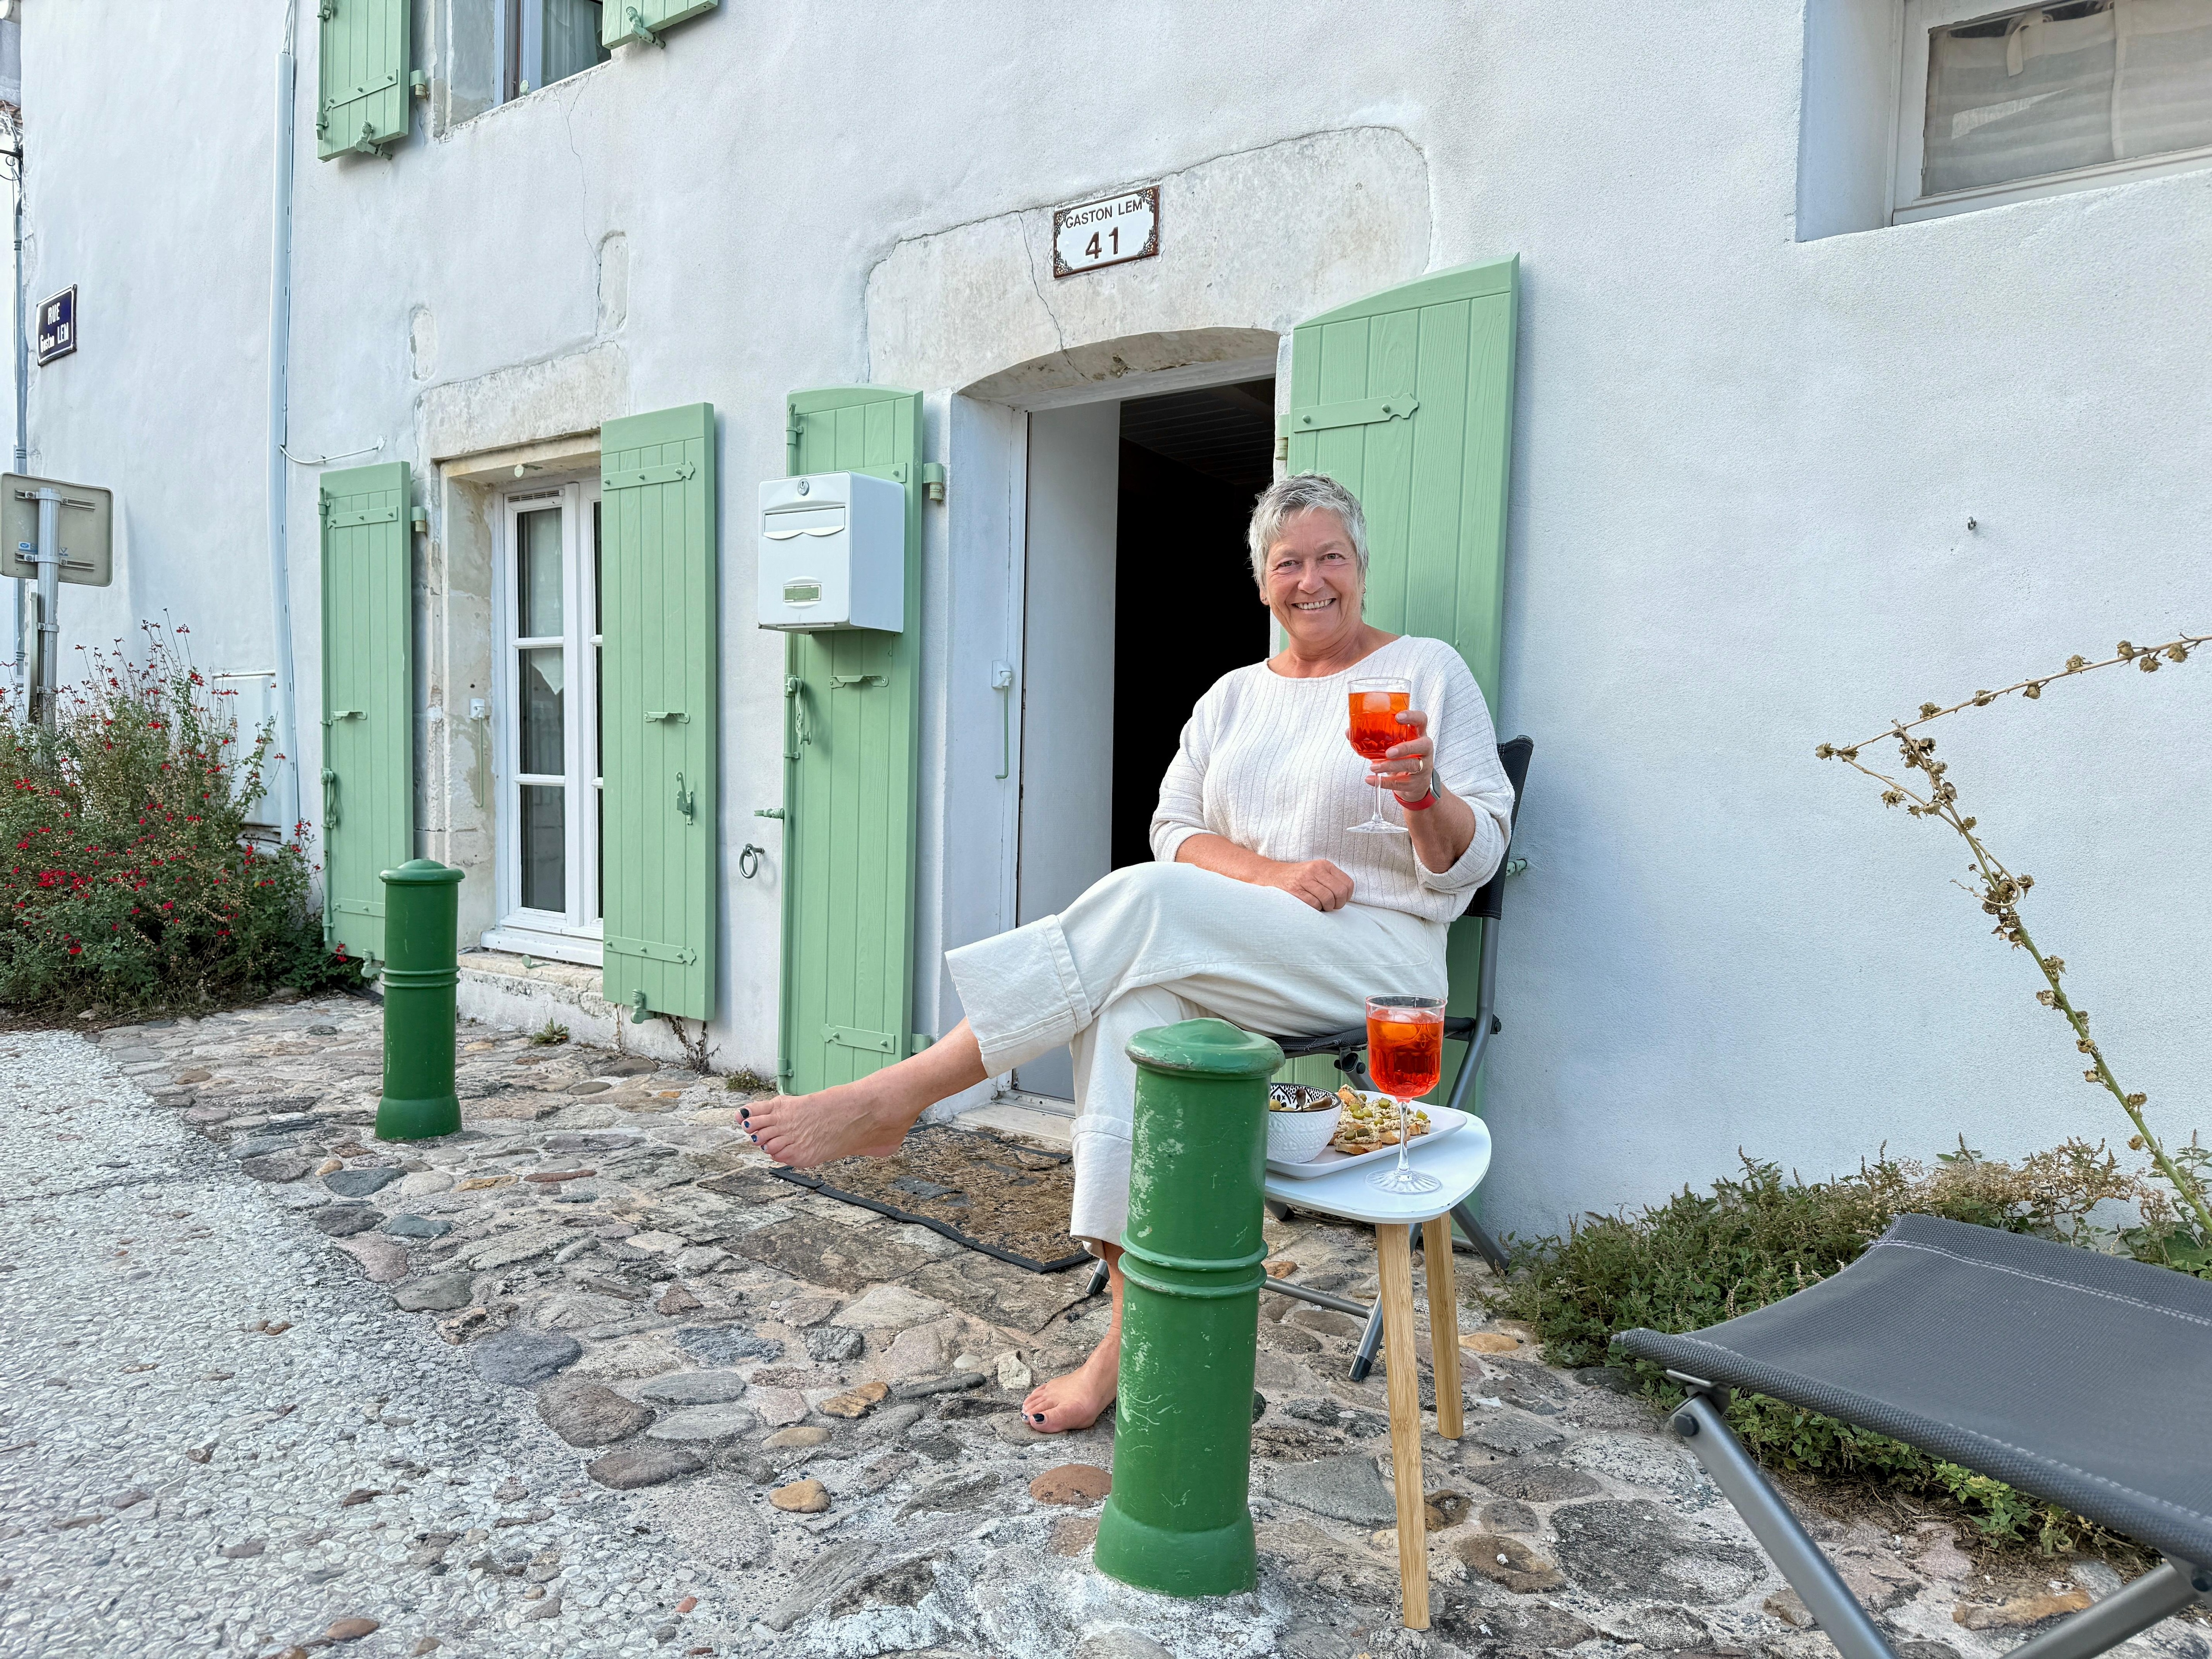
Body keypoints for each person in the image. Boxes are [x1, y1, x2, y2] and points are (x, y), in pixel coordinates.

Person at [741, 472, 1515, 1430]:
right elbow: (1174, 829)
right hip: (1251, 945)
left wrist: (1419, 795)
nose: (1311, 580)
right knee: (1126, 1009)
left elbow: (1472, 857)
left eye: (1330, 558)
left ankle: (906, 1092)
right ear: (1261, 582)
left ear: (1360, 568)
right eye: (1289, 564)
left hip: (1382, 957)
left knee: (1144, 907)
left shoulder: (1425, 671)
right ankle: (1123, 1341)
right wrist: (1268, 874)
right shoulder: (1233, 697)